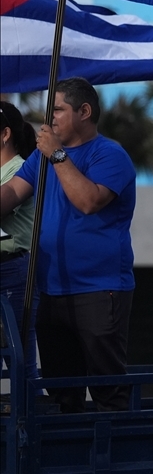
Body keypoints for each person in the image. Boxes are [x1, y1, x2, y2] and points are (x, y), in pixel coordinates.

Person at [0, 78, 137, 413]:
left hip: (99, 290)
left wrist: (58, 155)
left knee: (107, 392)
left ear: (84, 111)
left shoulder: (110, 155)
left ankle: (110, 459)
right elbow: (12, 194)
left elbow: (88, 201)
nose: (50, 119)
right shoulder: (41, 159)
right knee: (63, 393)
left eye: (58, 110)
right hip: (52, 291)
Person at [0, 101, 39, 380]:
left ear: (5, 135)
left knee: (19, 361)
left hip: (12, 269)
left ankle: (26, 423)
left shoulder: (19, 169)